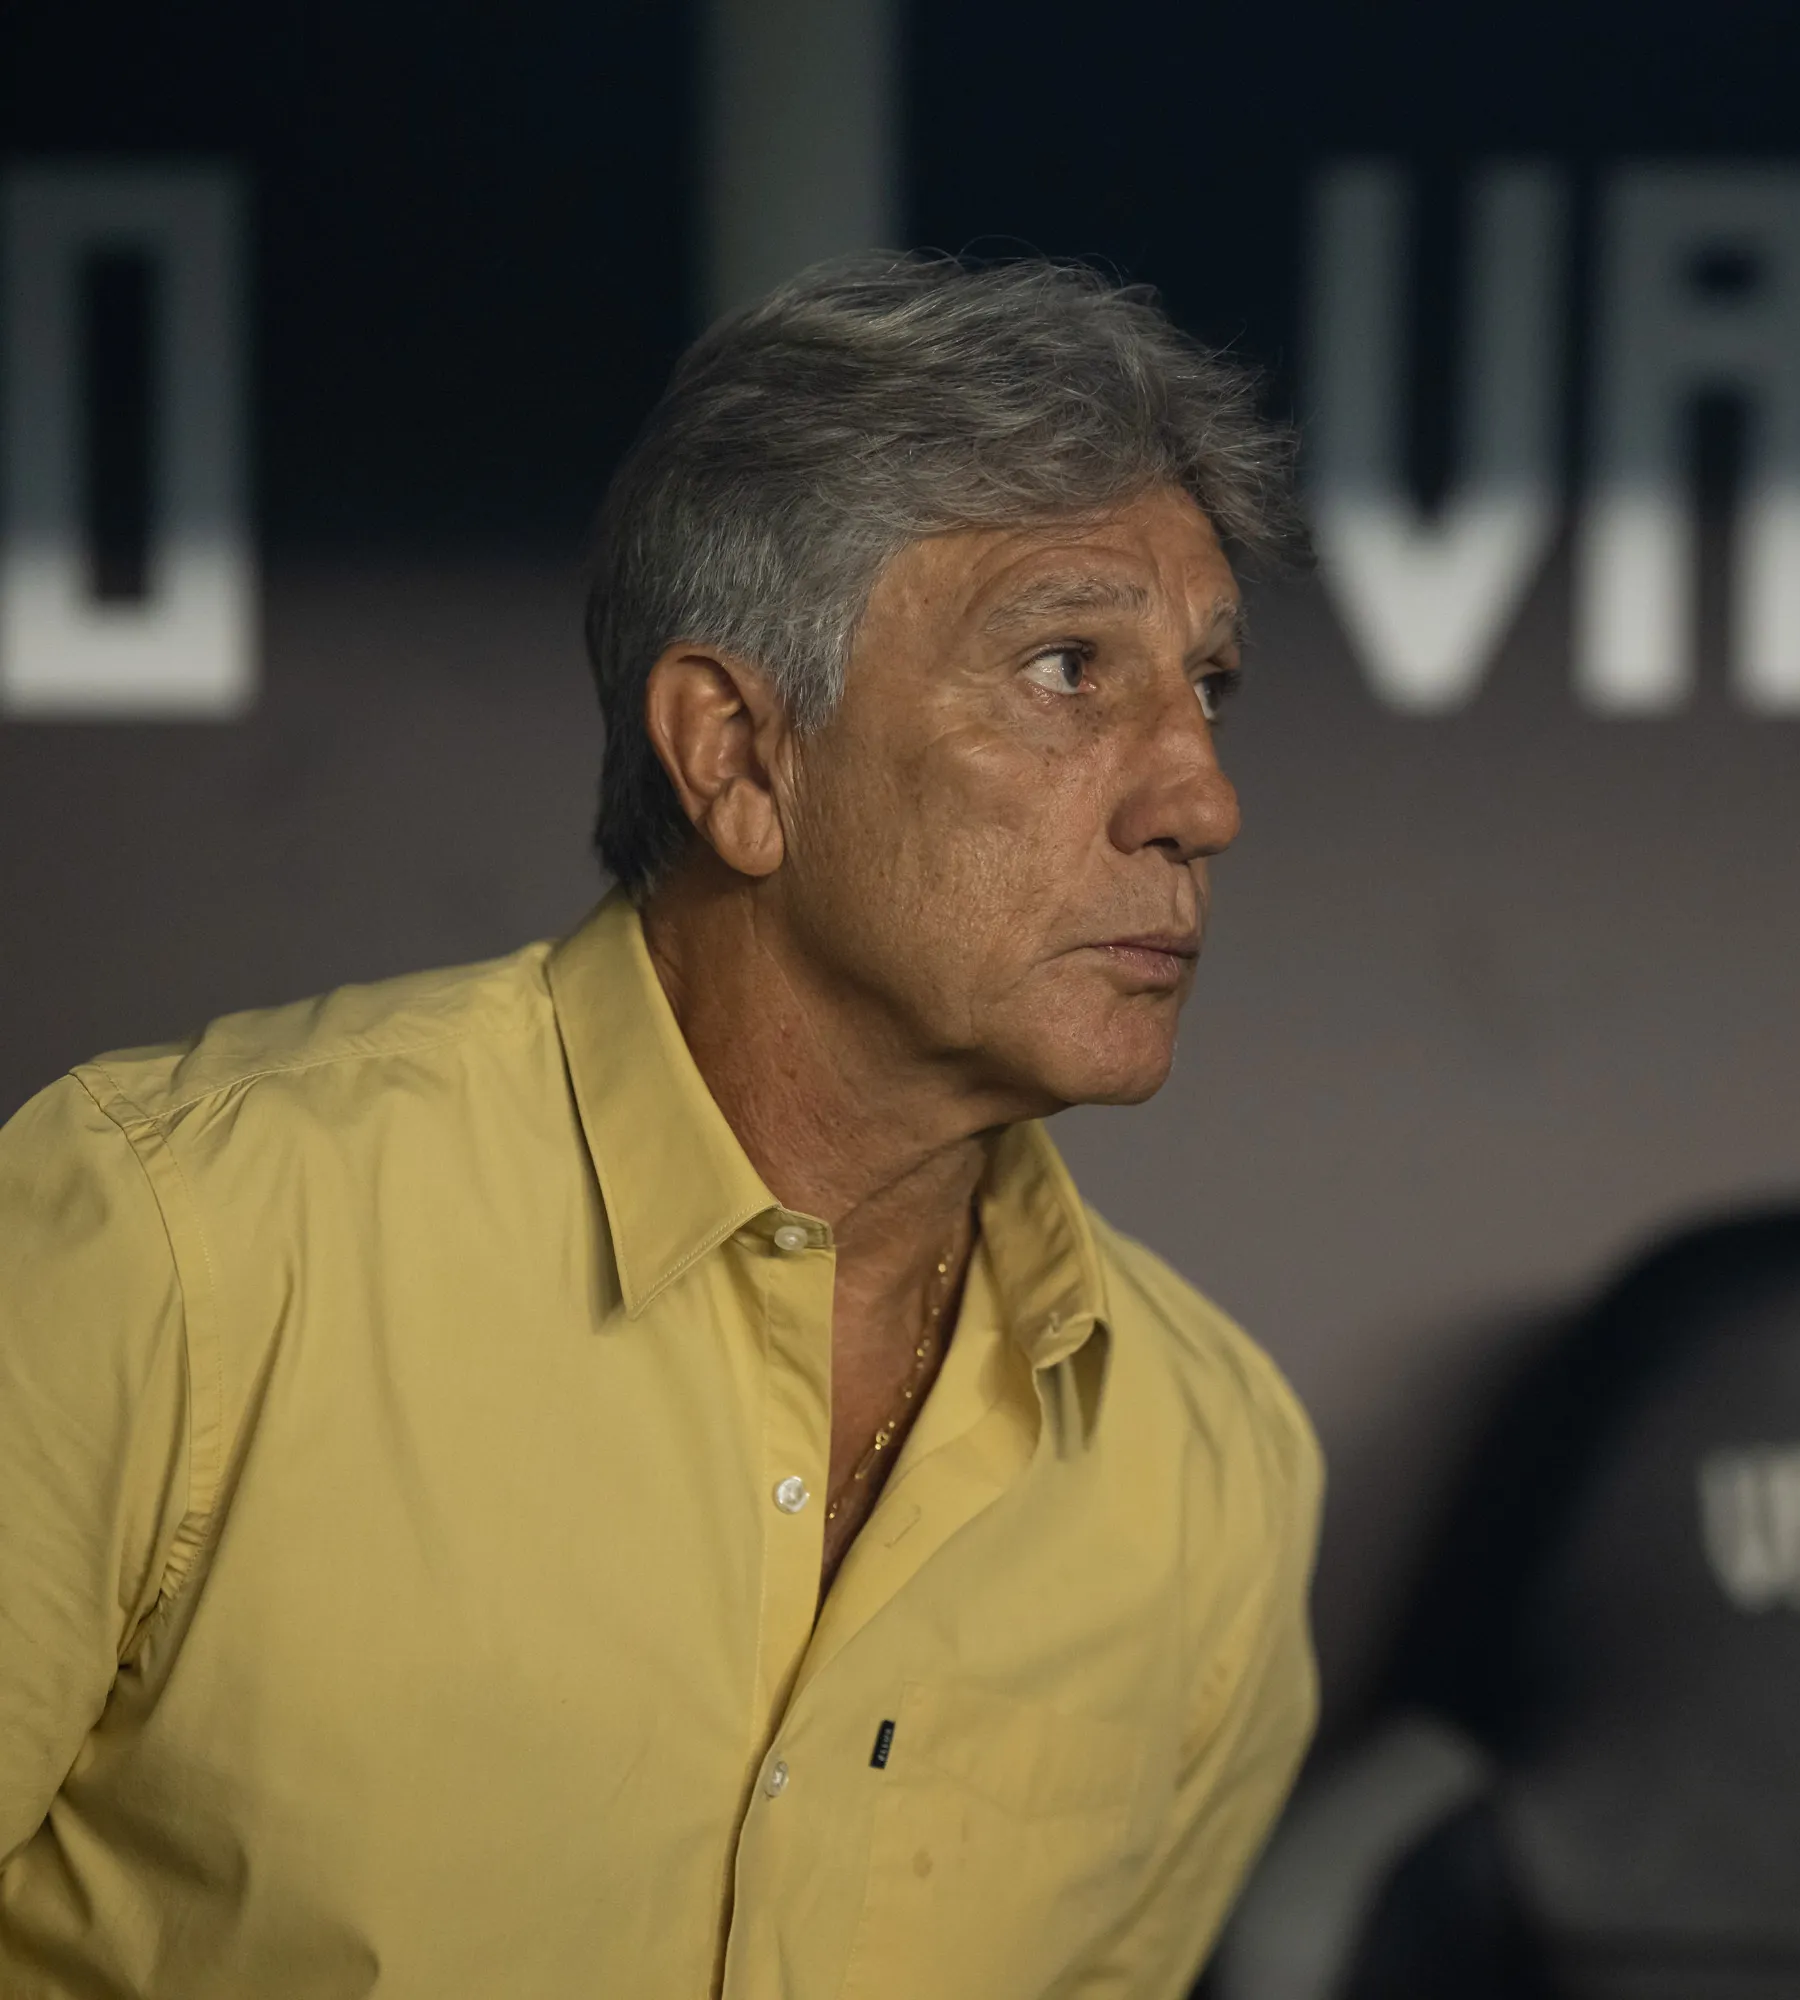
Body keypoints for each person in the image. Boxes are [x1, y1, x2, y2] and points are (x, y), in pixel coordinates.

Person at [0, 256, 1321, 1999]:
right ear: (739, 758)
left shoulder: (1213, 1470)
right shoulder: (175, 1253)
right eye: (1071, 666)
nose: (1201, 798)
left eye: (1206, 684)